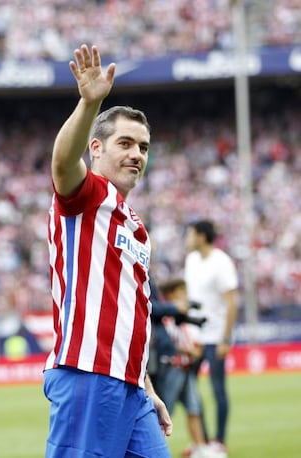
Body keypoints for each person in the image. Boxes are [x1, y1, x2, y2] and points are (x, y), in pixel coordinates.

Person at [43, 44, 172, 458]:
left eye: (144, 147)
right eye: (125, 143)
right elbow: (62, 164)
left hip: (131, 387)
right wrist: (89, 102)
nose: (137, 154)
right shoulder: (88, 194)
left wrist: (145, 385)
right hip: (89, 376)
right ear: (96, 149)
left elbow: (129, 314)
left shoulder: (135, 224)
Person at [184, 220, 239, 458]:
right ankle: (202, 441)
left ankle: (220, 441)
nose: (187, 239)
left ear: (201, 236)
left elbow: (231, 303)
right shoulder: (191, 261)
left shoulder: (222, 262)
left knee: (217, 388)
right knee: (190, 389)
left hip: (215, 335)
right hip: (195, 336)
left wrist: (226, 338)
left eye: (190, 234)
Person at [154, 278, 218, 458]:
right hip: (172, 367)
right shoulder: (166, 313)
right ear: (171, 294)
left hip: (185, 366)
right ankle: (154, 448)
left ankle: (200, 447)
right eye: (181, 292)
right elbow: (168, 340)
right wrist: (189, 349)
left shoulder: (178, 314)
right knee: (166, 410)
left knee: (194, 407)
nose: (185, 296)